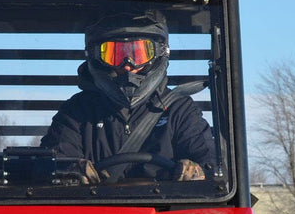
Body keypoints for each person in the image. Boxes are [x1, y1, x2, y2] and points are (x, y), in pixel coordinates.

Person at [40, 10, 215, 183]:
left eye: (139, 54)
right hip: (96, 209)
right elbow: (49, 166)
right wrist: (70, 170)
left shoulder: (179, 110)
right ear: (96, 57)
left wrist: (196, 171)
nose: (127, 66)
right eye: (114, 55)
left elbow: (213, 167)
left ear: (159, 54)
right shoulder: (77, 112)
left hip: (166, 209)